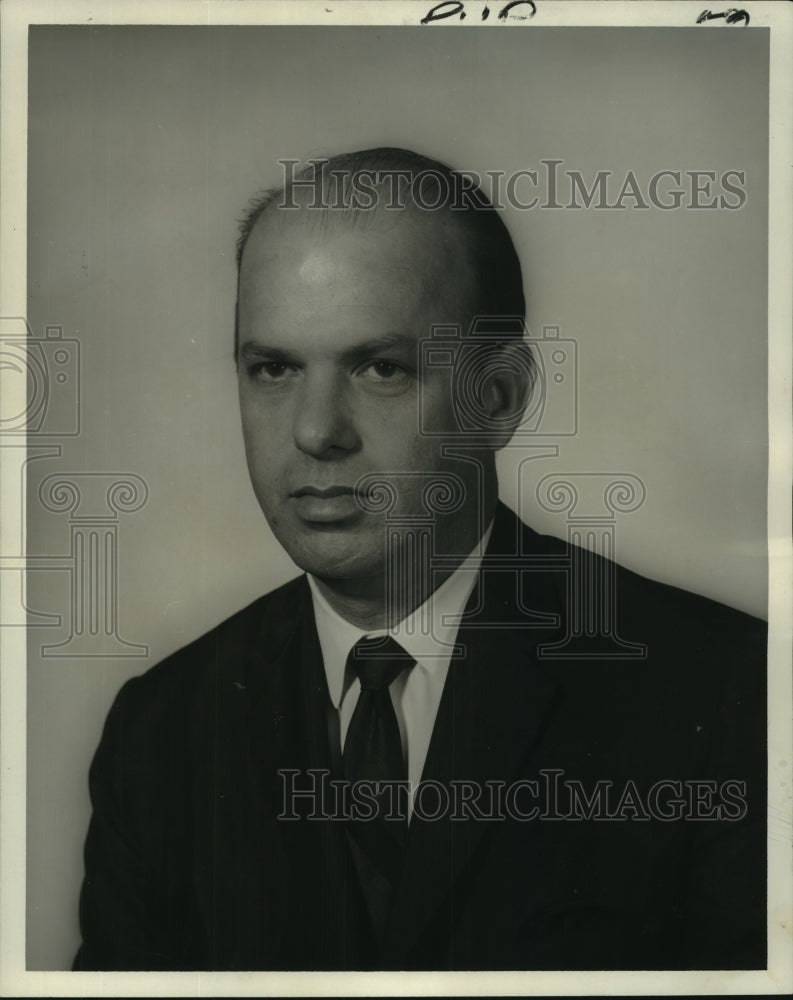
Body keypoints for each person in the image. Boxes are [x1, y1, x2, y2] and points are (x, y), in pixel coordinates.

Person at [73, 148, 766, 972]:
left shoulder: (730, 695)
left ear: (498, 397)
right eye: (274, 369)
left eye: (380, 368)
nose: (314, 431)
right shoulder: (159, 733)